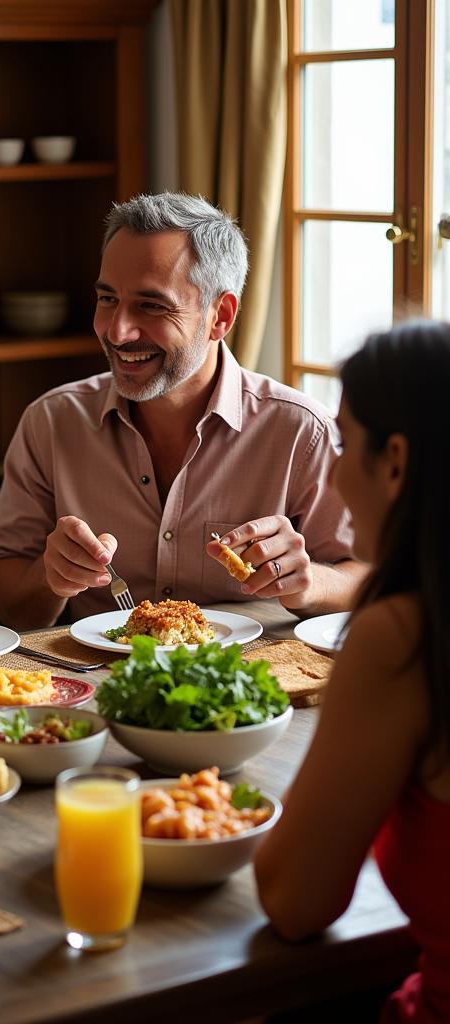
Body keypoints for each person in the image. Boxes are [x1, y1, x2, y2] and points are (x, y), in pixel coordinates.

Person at [0, 192, 365, 630]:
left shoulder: (300, 431)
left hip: (250, 686)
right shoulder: (50, 422)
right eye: (107, 299)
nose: (118, 332)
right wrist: (51, 578)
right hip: (93, 685)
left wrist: (309, 583)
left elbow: (367, 578)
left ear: (220, 315)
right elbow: (0, 597)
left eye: (152, 305)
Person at [255, 322, 450, 1023]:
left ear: (395, 461)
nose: (333, 474)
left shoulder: (403, 639)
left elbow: (294, 901)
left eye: (341, 443)